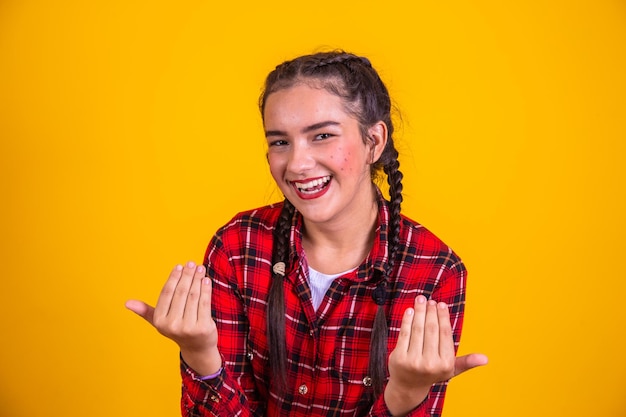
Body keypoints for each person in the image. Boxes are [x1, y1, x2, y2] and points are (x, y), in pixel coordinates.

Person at [126, 50, 488, 416]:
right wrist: (200, 355)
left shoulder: (435, 272)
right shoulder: (239, 246)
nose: (297, 164)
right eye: (280, 142)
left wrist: (406, 394)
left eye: (322, 136)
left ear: (374, 142)